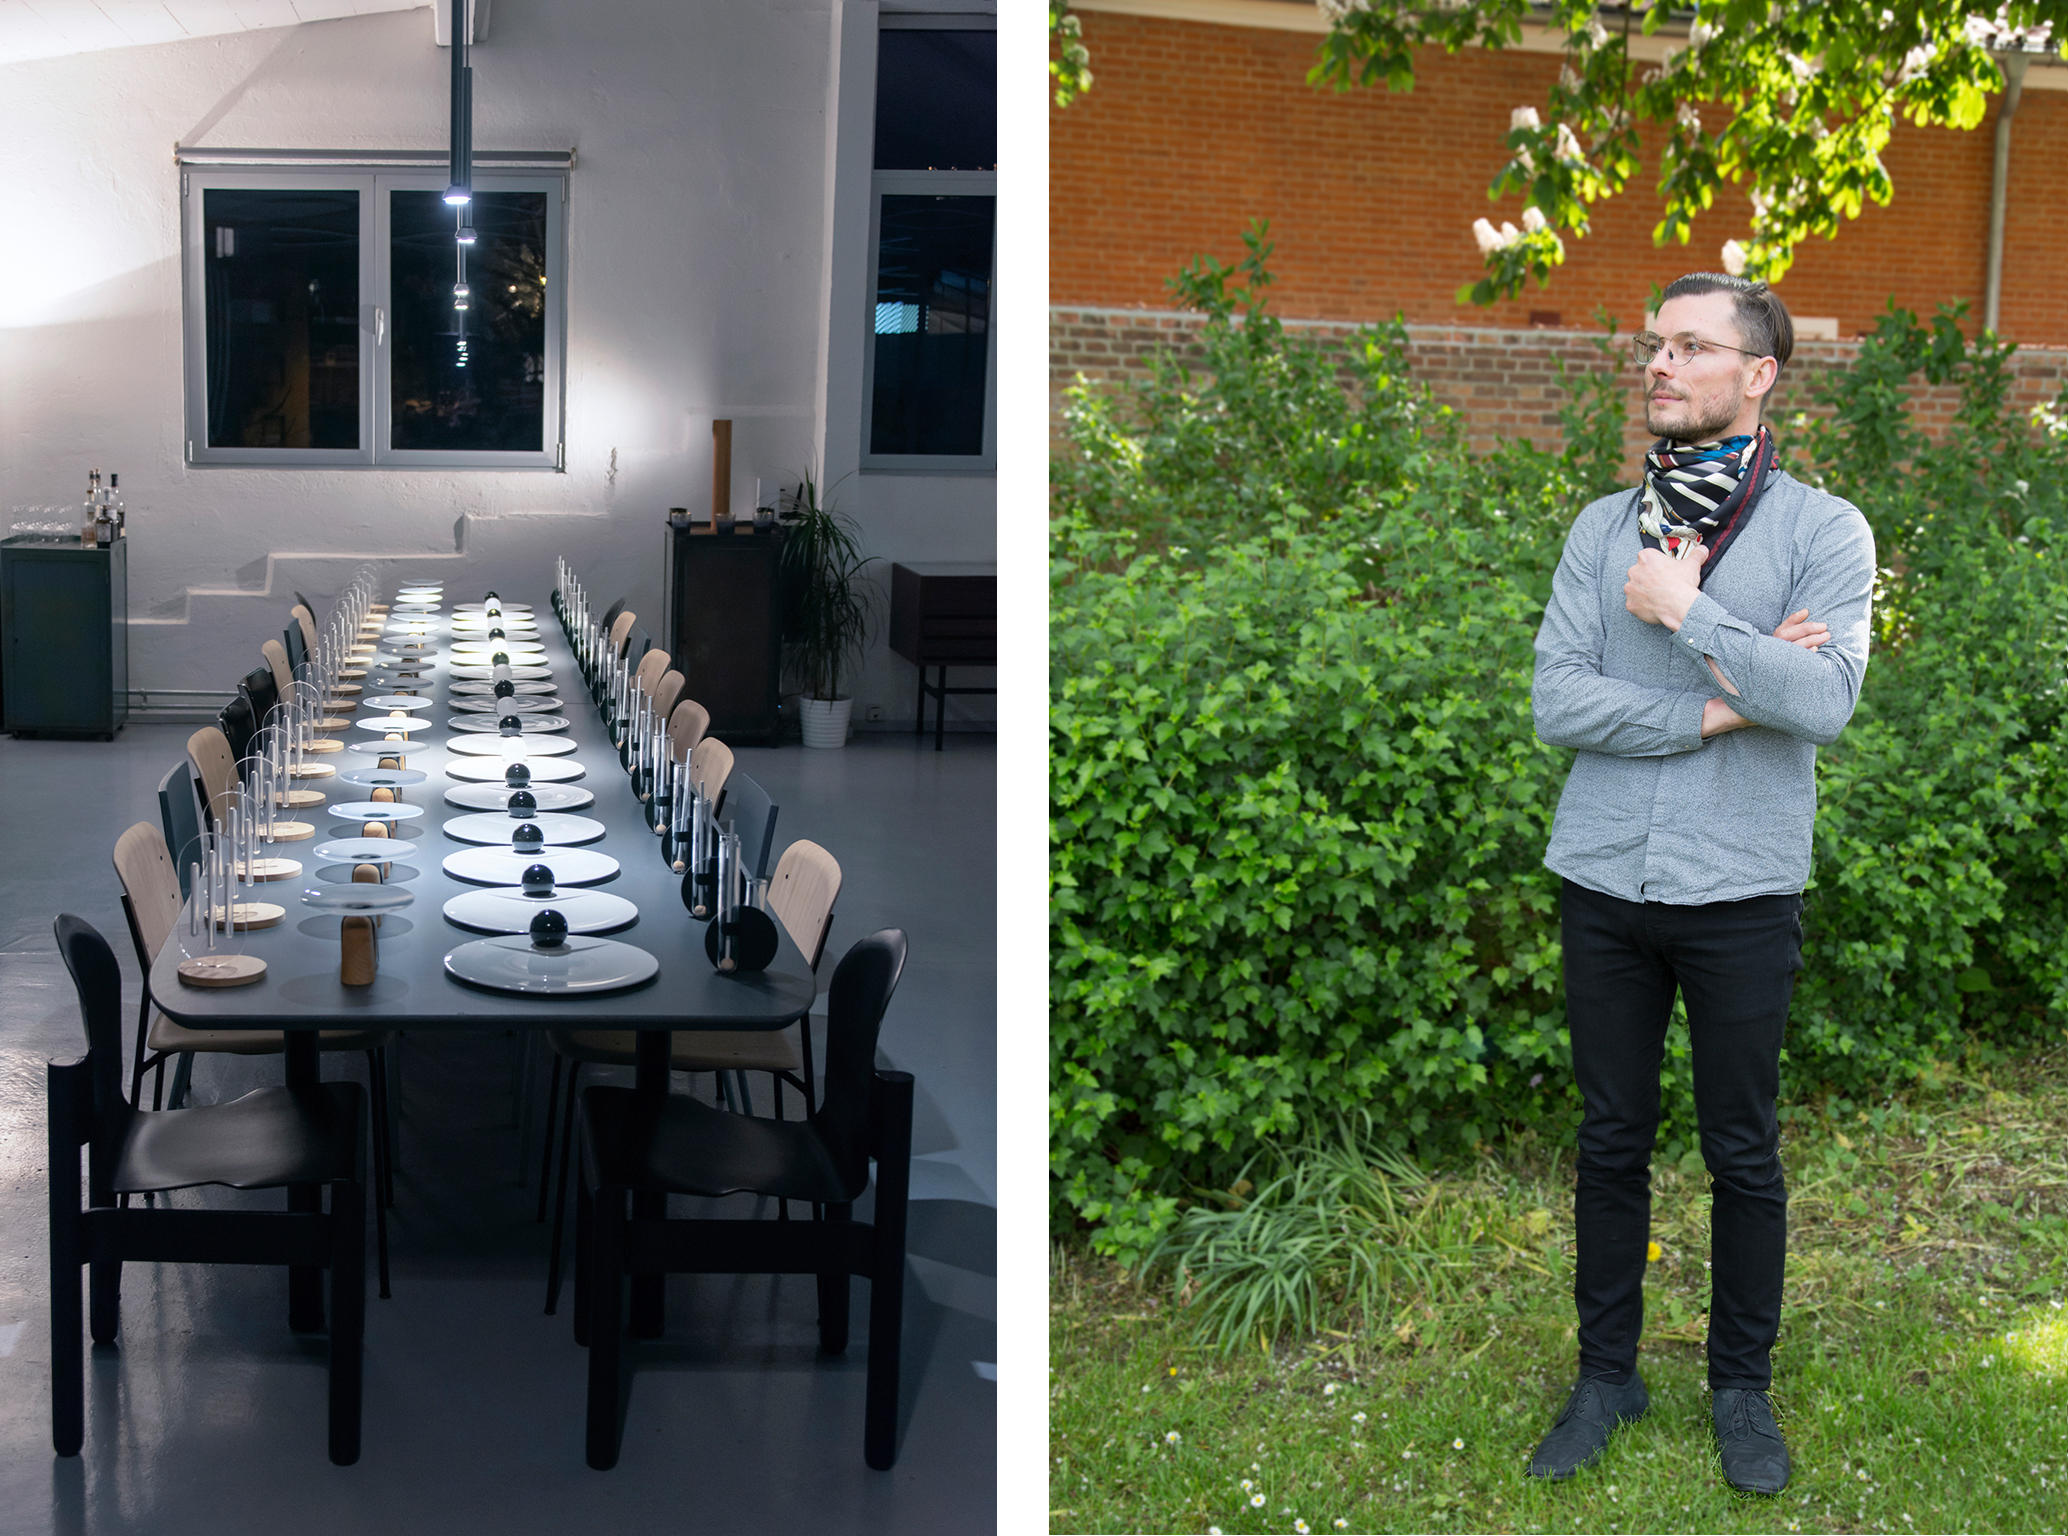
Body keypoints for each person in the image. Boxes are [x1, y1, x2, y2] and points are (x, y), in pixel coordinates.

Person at [1525, 273, 1876, 1494]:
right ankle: (1604, 1375)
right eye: (1652, 344)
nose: (1658, 364)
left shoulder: (1824, 534)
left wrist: (1689, 612)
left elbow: (1825, 703)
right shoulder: (1595, 528)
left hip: (1740, 889)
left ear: (1758, 374)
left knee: (1742, 1149)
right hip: (1603, 880)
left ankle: (1740, 1389)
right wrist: (1727, 706)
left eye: (1689, 345)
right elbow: (1555, 702)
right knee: (1611, 1139)